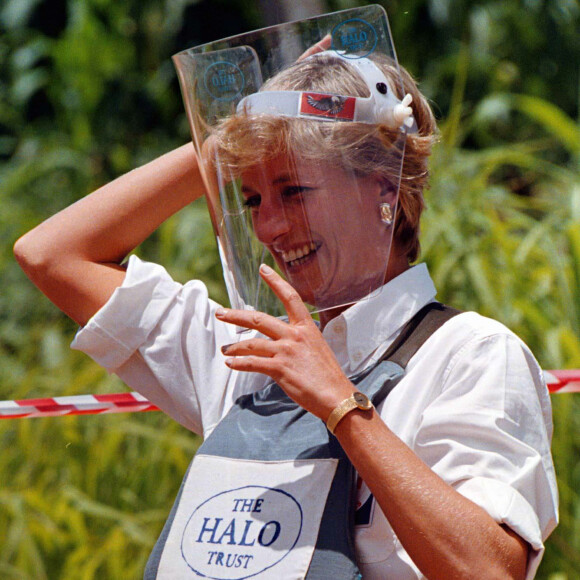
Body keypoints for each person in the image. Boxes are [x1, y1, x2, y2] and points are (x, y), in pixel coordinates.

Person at [14, 8, 557, 580]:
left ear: (385, 188)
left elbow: (490, 571)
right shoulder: (250, 352)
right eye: (251, 200)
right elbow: (52, 254)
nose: (269, 228)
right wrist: (229, 136)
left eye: (294, 191)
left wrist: (340, 406)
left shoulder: (471, 355)